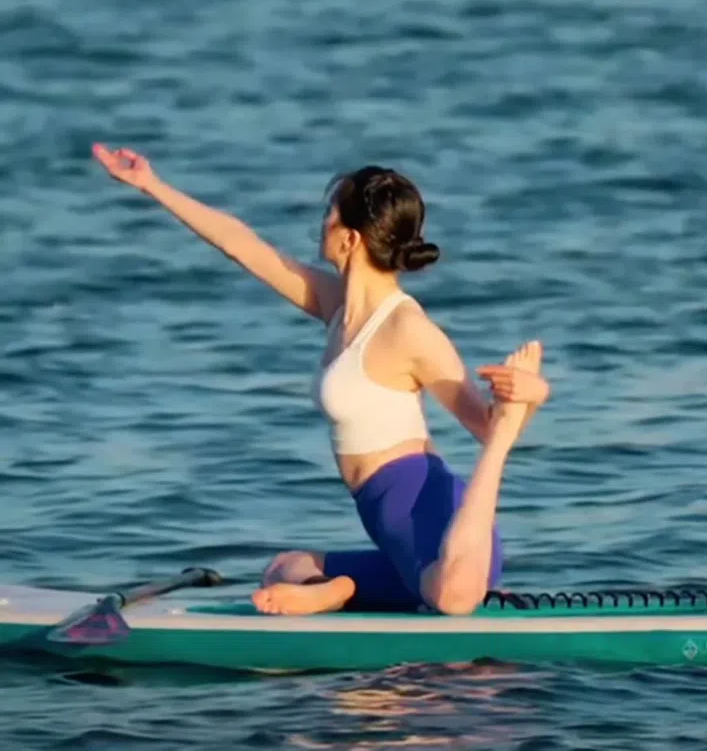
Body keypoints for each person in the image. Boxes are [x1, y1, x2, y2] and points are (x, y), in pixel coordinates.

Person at [93, 145, 550, 616]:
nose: (321, 222)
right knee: (284, 568)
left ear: (350, 238)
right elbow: (242, 245)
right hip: (391, 532)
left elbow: (487, 426)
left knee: (450, 598)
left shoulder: (406, 329)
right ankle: (339, 588)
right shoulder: (337, 306)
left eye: (329, 213)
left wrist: (532, 396)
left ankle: (433, 583)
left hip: (436, 524)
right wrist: (153, 186)